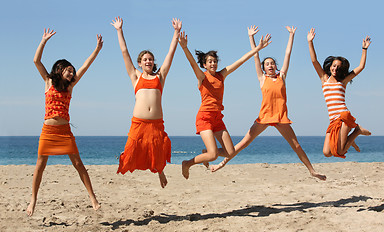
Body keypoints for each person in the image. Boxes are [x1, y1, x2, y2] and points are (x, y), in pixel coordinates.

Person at [210, 26, 326, 181]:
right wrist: (251, 38)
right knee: (243, 144)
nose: (270, 65)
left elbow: (287, 54)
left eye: (272, 63)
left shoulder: (282, 77)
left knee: (296, 146)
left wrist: (291, 35)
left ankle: (312, 171)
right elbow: (255, 57)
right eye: (267, 64)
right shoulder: (262, 79)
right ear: (264, 69)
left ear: (275, 66)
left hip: (280, 118)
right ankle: (221, 164)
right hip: (264, 117)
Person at [27, 28, 103, 216]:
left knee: (78, 164)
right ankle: (33, 200)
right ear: (59, 70)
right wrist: (43, 40)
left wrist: (97, 50)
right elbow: (36, 61)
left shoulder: (70, 87)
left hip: (64, 131)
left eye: (72, 72)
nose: (72, 73)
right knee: (40, 165)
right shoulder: (48, 82)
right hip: (48, 131)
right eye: (69, 70)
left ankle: (93, 198)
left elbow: (85, 66)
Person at [178, 29, 272, 179]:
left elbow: (240, 61)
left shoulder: (222, 75)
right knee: (214, 154)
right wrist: (184, 47)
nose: (213, 63)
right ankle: (187, 163)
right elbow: (191, 63)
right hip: (204, 118)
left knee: (230, 152)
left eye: (215, 61)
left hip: (217, 119)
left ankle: (206, 152)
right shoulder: (202, 77)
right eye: (210, 61)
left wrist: (258, 48)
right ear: (204, 64)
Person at [111, 17, 181, 188]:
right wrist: (119, 30)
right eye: (145, 59)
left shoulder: (160, 77)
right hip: (139, 122)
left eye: (150, 59)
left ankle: (160, 172)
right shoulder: (135, 76)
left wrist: (176, 33)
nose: (148, 61)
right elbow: (124, 51)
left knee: (158, 152)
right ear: (140, 63)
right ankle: (125, 155)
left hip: (156, 123)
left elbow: (170, 54)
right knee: (131, 150)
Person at [307, 28, 371, 158]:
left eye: (338, 67)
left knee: (340, 152)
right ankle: (348, 139)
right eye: (334, 66)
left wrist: (364, 49)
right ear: (330, 67)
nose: (335, 68)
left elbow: (361, 67)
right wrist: (310, 42)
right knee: (326, 152)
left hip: (343, 117)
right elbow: (314, 61)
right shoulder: (324, 79)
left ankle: (356, 131)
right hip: (333, 120)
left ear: (342, 69)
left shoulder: (343, 81)